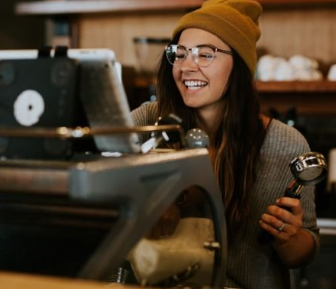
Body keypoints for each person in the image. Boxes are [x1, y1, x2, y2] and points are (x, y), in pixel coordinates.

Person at [131, 0, 319, 288]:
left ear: (239, 66)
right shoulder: (146, 122)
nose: (186, 67)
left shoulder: (285, 144)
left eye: (205, 55)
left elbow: (303, 253)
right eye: (179, 54)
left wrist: (289, 237)